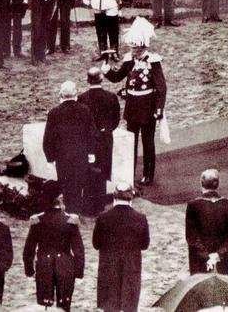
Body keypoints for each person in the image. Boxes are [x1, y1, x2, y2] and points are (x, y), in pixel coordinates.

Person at [105, 17, 167, 187]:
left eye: (135, 47)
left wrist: (159, 109)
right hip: (132, 106)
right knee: (131, 141)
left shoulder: (153, 62)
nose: (133, 50)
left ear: (143, 46)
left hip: (147, 107)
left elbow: (161, 88)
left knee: (147, 142)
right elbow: (118, 77)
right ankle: (129, 172)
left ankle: (148, 174)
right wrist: (107, 71)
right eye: (131, 47)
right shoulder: (129, 60)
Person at [23, 180, 86, 311]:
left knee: (44, 306)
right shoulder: (70, 220)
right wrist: (79, 273)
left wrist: (29, 271)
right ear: (60, 198)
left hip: (44, 266)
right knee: (64, 306)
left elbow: (29, 249)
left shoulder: (37, 220)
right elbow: (79, 250)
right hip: (65, 266)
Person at [92, 182, 150, 312]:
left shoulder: (103, 218)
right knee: (129, 306)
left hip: (109, 268)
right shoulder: (140, 218)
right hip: (131, 267)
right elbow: (145, 245)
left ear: (114, 197)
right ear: (131, 198)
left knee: (110, 307)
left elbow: (96, 244)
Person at [44, 80, 97, 216]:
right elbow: (92, 133)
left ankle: (68, 210)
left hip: (62, 156)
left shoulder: (54, 113)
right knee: (79, 182)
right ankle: (76, 210)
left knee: (65, 182)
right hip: (80, 154)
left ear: (60, 94)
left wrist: (50, 157)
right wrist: (91, 153)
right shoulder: (85, 110)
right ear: (76, 94)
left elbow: (49, 137)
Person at [79, 66, 122, 216]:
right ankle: (100, 204)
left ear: (87, 80)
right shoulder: (111, 97)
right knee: (102, 172)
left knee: (88, 171)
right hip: (105, 140)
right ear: (102, 79)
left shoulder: (82, 98)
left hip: (88, 141)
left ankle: (88, 205)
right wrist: (106, 130)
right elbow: (116, 120)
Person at [185, 168, 228, 275]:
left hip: (199, 262)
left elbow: (191, 237)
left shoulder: (193, 205)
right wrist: (218, 255)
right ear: (217, 184)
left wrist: (207, 256)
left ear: (201, 183)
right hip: (221, 261)